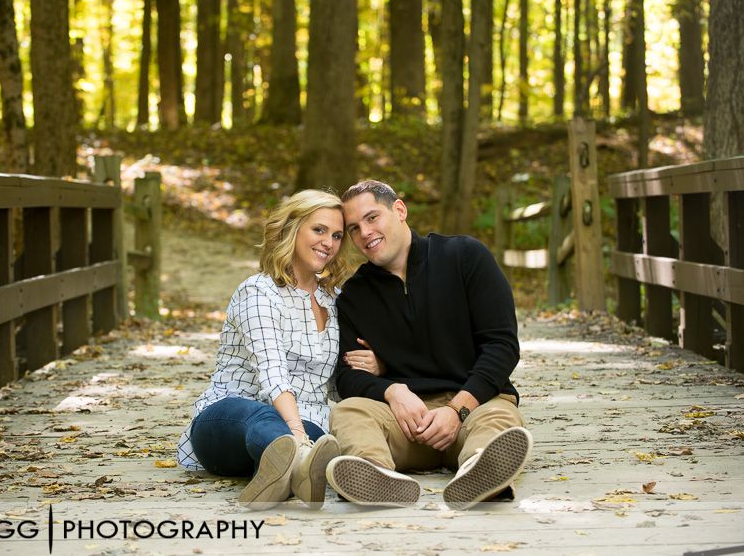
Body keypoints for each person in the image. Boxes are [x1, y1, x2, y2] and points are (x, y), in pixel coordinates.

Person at [326, 180, 533, 510]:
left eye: (372, 218)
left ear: (399, 210)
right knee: (349, 412)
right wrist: (392, 391)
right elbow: (346, 377)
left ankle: (480, 470)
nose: (364, 233)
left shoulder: (464, 257)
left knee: (497, 420)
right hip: (408, 420)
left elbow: (502, 345)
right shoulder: (355, 296)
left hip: (474, 406)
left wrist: (457, 409)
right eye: (353, 228)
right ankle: (375, 477)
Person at [177, 190, 362, 510]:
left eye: (336, 235)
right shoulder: (259, 292)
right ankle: (297, 464)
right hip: (228, 422)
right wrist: (298, 438)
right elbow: (272, 371)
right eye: (318, 230)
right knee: (265, 417)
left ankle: (284, 474)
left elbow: (335, 382)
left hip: (306, 424)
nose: (328, 243)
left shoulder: (335, 300)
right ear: (292, 228)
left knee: (321, 437)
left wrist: (375, 369)